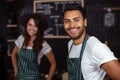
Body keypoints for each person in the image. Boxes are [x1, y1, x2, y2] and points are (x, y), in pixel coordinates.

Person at [62, 3, 120, 80]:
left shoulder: (96, 47)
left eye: (76, 20)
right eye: (67, 21)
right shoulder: (70, 44)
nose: (72, 25)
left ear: (85, 22)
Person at [11, 13, 56, 80]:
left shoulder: (43, 44)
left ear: (39, 28)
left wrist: (49, 78)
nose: (32, 28)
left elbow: (53, 63)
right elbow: (13, 55)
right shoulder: (21, 38)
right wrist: (15, 70)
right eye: (30, 25)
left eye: (35, 26)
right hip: (19, 77)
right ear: (26, 26)